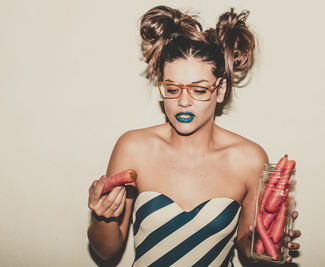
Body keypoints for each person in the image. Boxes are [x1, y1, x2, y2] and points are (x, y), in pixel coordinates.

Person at [87, 5, 301, 266]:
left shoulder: (249, 159)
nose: (184, 102)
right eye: (173, 88)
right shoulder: (133, 148)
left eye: (199, 90)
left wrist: (267, 243)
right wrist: (102, 217)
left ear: (220, 90)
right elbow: (107, 251)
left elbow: (247, 251)